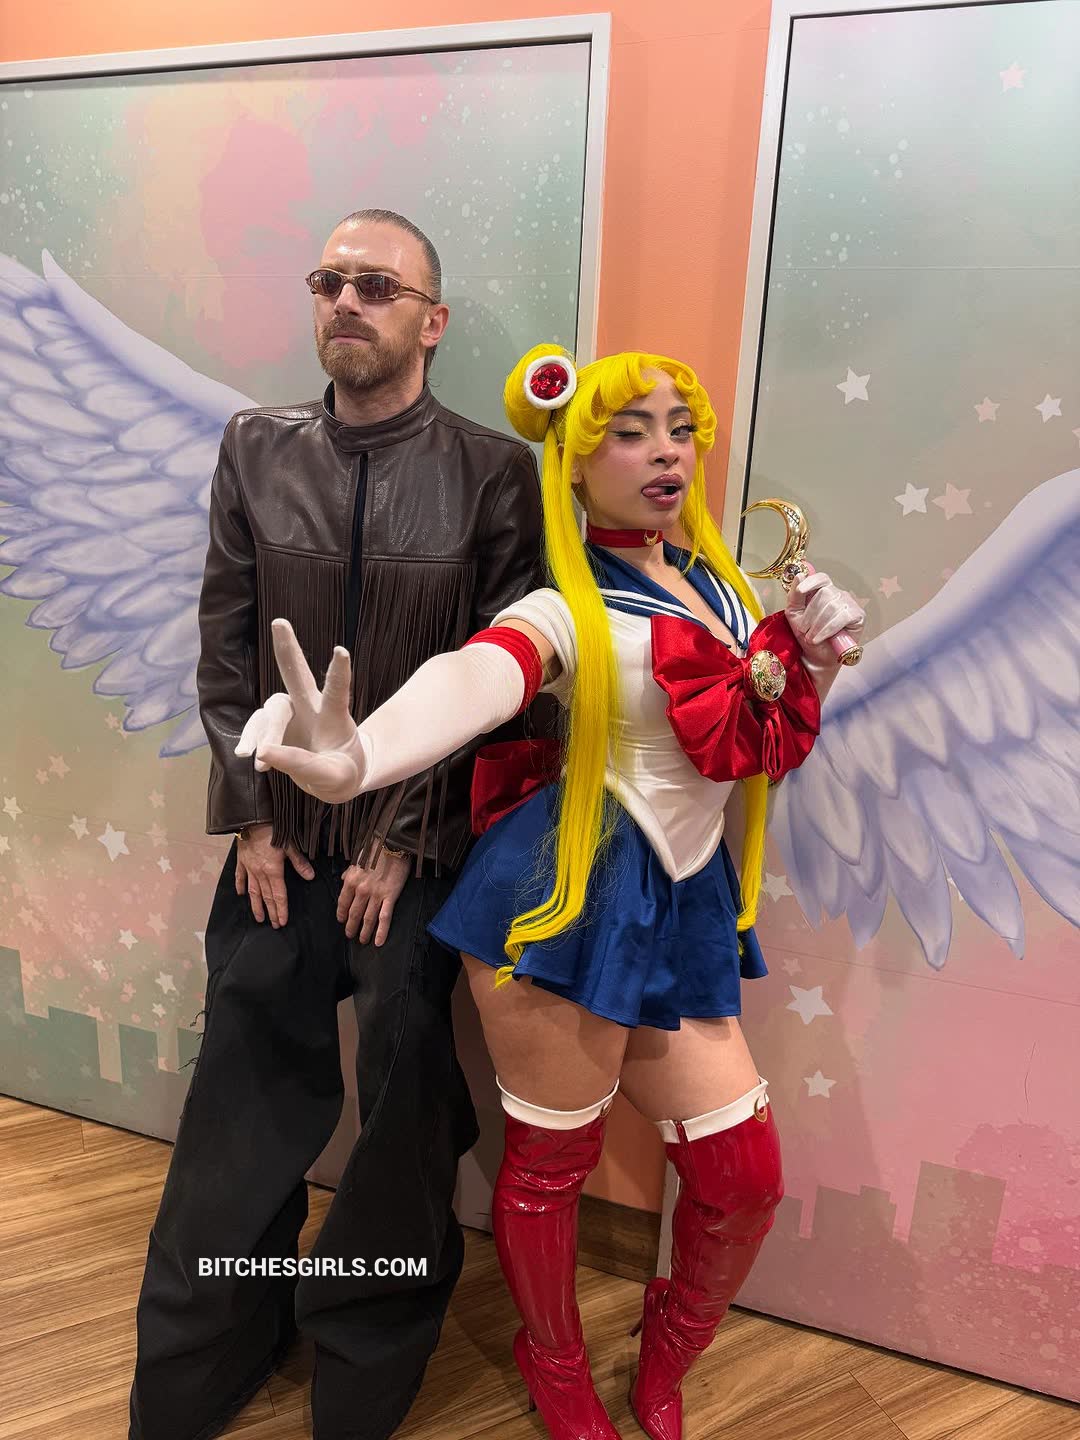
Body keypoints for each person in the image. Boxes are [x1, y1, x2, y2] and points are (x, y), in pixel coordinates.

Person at [241, 344, 866, 1440]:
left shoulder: (723, 585)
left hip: (684, 898)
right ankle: (555, 1360)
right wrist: (362, 755)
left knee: (741, 1177)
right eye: (630, 432)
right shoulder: (563, 606)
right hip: (568, 895)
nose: (665, 451)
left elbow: (746, 737)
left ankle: (668, 1352)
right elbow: (478, 675)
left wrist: (807, 661)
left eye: (680, 428)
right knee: (550, 1166)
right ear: (573, 461)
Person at [128, 213, 546, 1440]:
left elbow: (502, 678)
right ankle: (212, 1348)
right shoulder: (255, 447)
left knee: (403, 1123)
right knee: (240, 1107)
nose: (347, 302)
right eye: (330, 282)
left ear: (433, 318)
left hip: (409, 859)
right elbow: (224, 649)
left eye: (376, 284)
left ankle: (362, 1366)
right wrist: (254, 820)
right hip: (277, 848)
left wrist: (403, 837)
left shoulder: (491, 472)